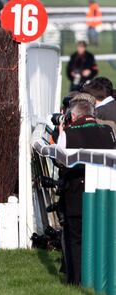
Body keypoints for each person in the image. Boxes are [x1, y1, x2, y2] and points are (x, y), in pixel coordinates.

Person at [56, 93, 115, 285]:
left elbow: (59, 160)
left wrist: (62, 131)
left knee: (76, 239)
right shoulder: (108, 130)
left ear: (73, 116)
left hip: (76, 192)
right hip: (105, 191)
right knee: (104, 237)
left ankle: (77, 280)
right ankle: (103, 279)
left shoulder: (69, 133)